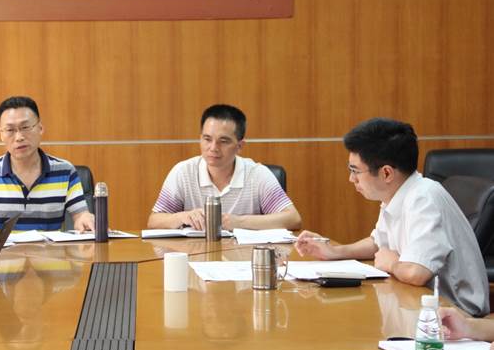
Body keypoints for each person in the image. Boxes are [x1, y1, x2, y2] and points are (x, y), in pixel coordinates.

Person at [295, 117, 489, 316]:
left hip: (455, 316)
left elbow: (416, 272)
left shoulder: (423, 199)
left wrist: (392, 264)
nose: (351, 179)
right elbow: (378, 243)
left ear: (386, 173)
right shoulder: (397, 193)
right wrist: (335, 252)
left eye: (355, 171)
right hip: (420, 305)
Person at [0, 96, 95, 240]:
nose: (19, 137)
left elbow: (80, 215)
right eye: (10, 130)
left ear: (40, 128)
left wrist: (85, 218)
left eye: (25, 127)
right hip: (2, 256)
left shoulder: (65, 171)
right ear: (1, 134)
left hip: (51, 255)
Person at [147, 104, 301, 231]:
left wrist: (239, 222)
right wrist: (181, 217)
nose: (213, 148)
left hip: (245, 257)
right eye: (207, 139)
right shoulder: (183, 172)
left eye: (223, 141)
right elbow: (154, 221)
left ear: (240, 146)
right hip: (194, 255)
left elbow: (293, 219)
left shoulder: (257, 174)